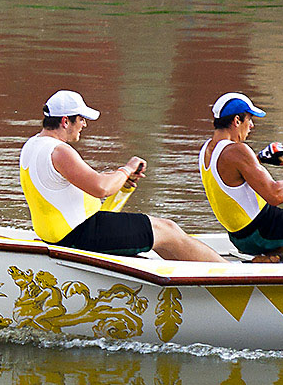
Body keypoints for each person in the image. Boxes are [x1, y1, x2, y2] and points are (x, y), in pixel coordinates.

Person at [19, 90, 225, 262]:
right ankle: (228, 272)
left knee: (159, 235)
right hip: (80, 236)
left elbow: (81, 188)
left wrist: (122, 184)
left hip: (64, 234)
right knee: (168, 229)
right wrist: (128, 167)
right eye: (81, 119)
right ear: (65, 121)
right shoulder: (60, 151)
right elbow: (100, 188)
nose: (85, 124)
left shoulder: (33, 145)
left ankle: (190, 271)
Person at [199, 92, 283, 255]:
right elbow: (276, 195)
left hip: (239, 238)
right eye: (249, 119)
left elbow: (232, 174)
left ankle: (274, 257)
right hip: (263, 231)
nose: (252, 126)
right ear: (237, 121)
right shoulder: (237, 150)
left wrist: (261, 158)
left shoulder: (207, 150)